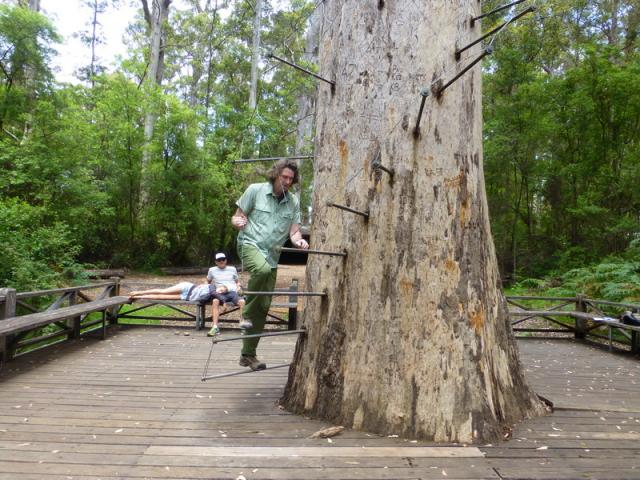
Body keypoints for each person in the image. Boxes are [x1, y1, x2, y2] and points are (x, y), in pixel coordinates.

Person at [231, 159, 309, 371]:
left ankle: (248, 354)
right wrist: (238, 222)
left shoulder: (292, 201)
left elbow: (294, 231)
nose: (287, 181)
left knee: (263, 306)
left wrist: (299, 240)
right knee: (262, 271)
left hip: (273, 256)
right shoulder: (255, 190)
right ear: (275, 175)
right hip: (249, 245)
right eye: (284, 177)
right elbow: (237, 217)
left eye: (291, 179)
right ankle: (245, 312)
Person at [206, 252, 245, 337]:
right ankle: (215, 327)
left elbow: (237, 281)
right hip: (220, 293)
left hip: (232, 292)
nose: (221, 261)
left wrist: (238, 286)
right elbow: (208, 282)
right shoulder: (212, 270)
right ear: (216, 262)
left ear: (226, 260)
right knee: (215, 301)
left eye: (223, 259)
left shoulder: (232, 269)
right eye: (219, 260)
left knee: (242, 302)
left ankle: (243, 325)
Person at [129, 281, 215, 302]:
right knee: (163, 291)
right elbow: (205, 282)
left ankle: (138, 296)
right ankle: (139, 292)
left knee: (161, 297)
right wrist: (203, 284)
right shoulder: (214, 287)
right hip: (188, 288)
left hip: (187, 297)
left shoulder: (217, 298)